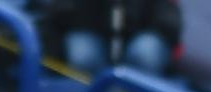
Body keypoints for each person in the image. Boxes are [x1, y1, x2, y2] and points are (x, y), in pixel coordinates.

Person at [40, 0, 182, 78]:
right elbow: (61, 13)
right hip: (90, 30)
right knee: (83, 54)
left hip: (141, 33)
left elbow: (168, 21)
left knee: (144, 51)